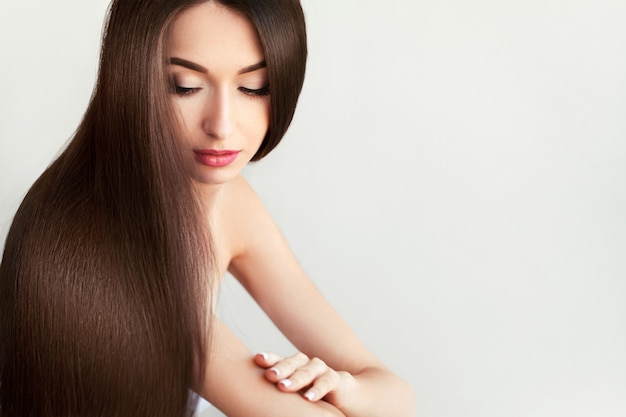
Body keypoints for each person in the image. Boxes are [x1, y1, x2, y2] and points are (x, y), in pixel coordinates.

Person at [0, 0, 415, 416]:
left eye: (254, 87)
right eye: (184, 85)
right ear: (130, 78)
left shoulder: (228, 202)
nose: (221, 125)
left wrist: (344, 388)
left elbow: (396, 397)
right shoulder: (99, 246)